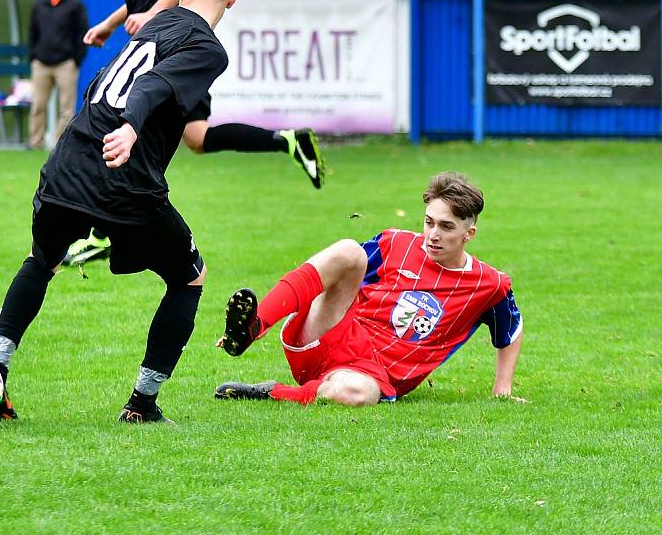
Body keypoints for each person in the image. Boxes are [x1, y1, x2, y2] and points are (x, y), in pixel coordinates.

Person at [0, 0, 240, 423]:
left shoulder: (154, 24)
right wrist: (130, 125)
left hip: (66, 165)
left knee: (42, 260)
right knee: (189, 278)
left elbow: (112, 80)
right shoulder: (208, 48)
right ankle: (142, 403)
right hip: (125, 179)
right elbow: (153, 86)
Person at [66, 0, 324, 267]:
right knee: (197, 138)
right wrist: (110, 24)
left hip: (173, 49)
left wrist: (153, 13)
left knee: (139, 122)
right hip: (167, 42)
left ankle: (103, 231)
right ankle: (286, 140)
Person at [215, 171, 523, 406]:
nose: (432, 234)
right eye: (429, 222)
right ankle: (254, 327)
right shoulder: (396, 243)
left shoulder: (489, 284)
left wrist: (502, 389)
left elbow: (510, 330)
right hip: (331, 334)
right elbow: (333, 273)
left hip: (371, 377)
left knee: (356, 395)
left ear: (469, 233)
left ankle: (273, 392)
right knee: (349, 251)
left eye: (446, 227)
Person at [27, 0, 88, 149]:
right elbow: (32, 33)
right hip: (42, 64)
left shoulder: (75, 5)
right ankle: (35, 143)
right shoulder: (39, 5)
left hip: (65, 64)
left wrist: (76, 59)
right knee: (38, 105)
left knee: (66, 108)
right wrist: (33, 57)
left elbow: (82, 34)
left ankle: (59, 145)